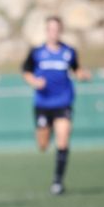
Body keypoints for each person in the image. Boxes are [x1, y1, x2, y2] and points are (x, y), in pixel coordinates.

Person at [22, 16, 90, 195]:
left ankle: (57, 181)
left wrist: (82, 74)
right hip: (43, 103)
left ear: (60, 31)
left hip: (63, 102)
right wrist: (35, 82)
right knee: (43, 145)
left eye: (56, 29)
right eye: (50, 29)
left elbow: (76, 69)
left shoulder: (69, 52)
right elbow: (26, 72)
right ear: (46, 31)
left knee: (63, 137)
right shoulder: (37, 52)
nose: (53, 32)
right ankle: (46, 131)